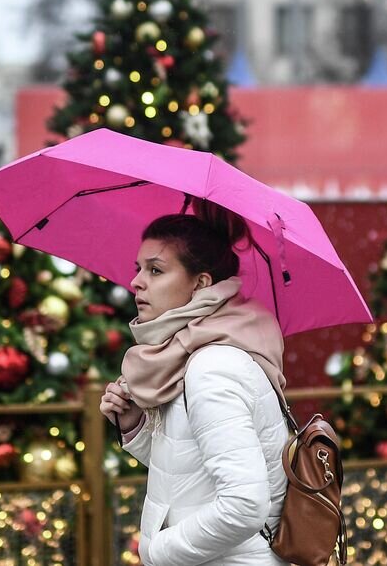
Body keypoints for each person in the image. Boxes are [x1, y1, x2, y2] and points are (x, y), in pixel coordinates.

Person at [99, 204, 290, 566]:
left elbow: (245, 505)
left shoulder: (213, 366)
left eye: (156, 270)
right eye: (138, 269)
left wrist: (157, 551)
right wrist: (135, 424)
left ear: (201, 283)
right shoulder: (196, 348)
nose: (137, 281)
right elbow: (192, 471)